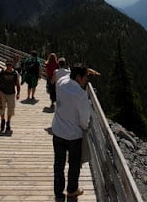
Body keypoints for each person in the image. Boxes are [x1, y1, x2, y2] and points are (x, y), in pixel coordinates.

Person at [51, 65, 91, 200]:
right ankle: (72, 189)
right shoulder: (81, 94)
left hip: (57, 130)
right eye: (86, 76)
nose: (87, 80)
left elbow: (65, 74)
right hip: (74, 135)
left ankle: (58, 192)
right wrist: (85, 126)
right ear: (79, 77)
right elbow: (84, 120)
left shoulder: (61, 82)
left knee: (59, 163)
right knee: (74, 165)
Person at [0, 59, 21, 134]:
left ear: (12, 65)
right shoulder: (2, 72)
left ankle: (8, 122)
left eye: (10, 65)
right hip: (2, 92)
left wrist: (18, 93)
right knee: (2, 107)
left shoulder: (15, 73)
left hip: (11, 93)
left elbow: (17, 83)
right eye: (7, 65)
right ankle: (3, 120)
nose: (8, 66)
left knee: (11, 109)